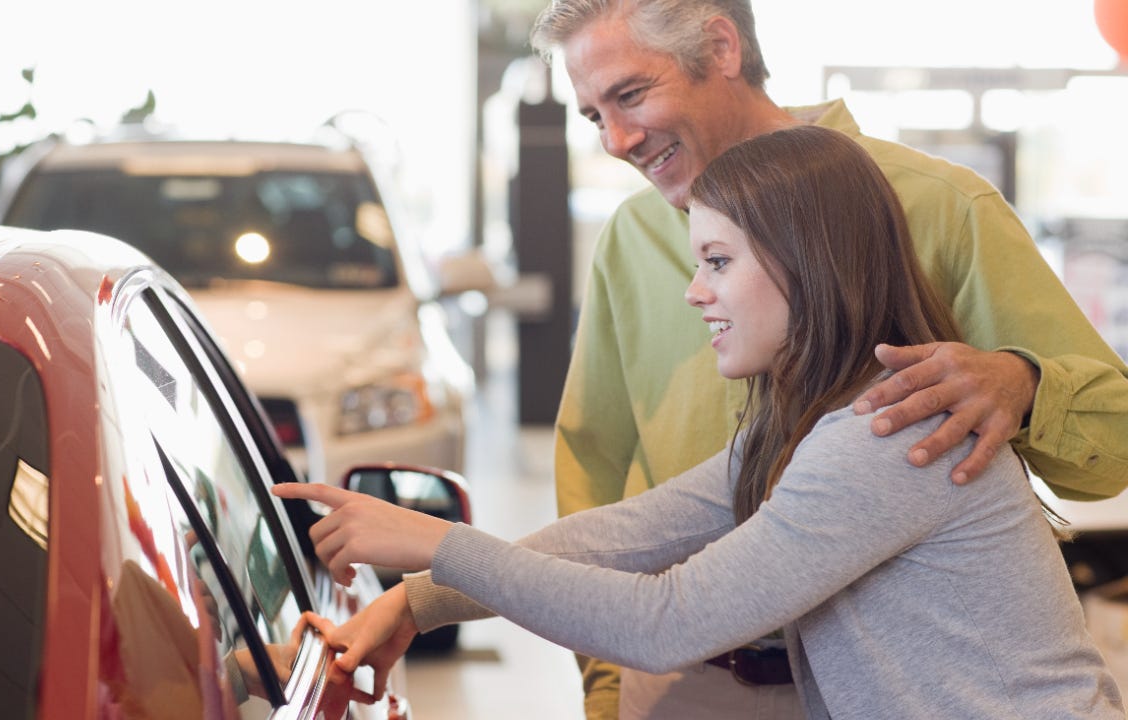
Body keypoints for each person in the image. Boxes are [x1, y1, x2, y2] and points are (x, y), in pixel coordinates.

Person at [272, 125, 1124, 720]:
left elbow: (669, 619)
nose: (695, 292)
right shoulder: (802, 425)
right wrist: (417, 604)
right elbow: (621, 536)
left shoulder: (883, 434)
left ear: (807, 265)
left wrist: (434, 543)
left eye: (718, 261)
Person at [529, 1, 1128, 717]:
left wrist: (1021, 381)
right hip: (682, 678)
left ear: (722, 46)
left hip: (896, 684)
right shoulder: (630, 236)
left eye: (630, 95)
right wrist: (606, 675)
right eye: (595, 116)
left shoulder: (941, 205)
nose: (617, 140)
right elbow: (595, 460)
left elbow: (1113, 444)